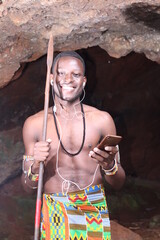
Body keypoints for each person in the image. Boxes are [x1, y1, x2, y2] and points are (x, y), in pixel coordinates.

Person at [21, 51, 126, 240]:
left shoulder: (102, 120)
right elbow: (27, 187)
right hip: (55, 209)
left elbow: (119, 183)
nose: (68, 79)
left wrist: (110, 166)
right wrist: (35, 165)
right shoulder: (35, 124)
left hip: (93, 206)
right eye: (61, 73)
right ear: (52, 79)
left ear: (84, 81)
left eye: (75, 74)